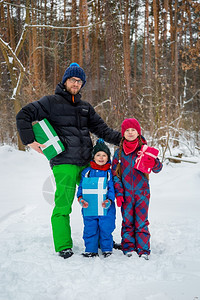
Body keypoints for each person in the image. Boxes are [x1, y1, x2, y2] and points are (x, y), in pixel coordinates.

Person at [16, 63, 121, 259]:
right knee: (63, 205)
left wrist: (126, 139)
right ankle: (64, 244)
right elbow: (24, 114)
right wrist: (30, 140)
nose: (76, 83)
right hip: (63, 163)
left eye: (80, 81)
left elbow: (103, 130)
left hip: (86, 165)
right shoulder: (50, 102)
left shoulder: (85, 108)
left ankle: (103, 239)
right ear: (65, 80)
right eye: (73, 79)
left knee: (99, 202)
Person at [112, 118, 162, 260]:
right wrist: (119, 193)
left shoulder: (145, 150)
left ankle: (143, 249)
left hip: (142, 193)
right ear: (123, 133)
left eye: (133, 130)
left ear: (138, 132)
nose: (130, 132)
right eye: (127, 130)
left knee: (141, 222)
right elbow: (115, 174)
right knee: (127, 221)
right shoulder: (119, 153)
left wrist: (153, 161)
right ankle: (128, 247)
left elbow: (158, 168)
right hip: (126, 194)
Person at [77, 139, 116, 258]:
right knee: (90, 228)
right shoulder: (86, 172)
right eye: (98, 155)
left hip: (106, 208)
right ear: (93, 157)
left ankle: (106, 249)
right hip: (90, 207)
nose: (101, 157)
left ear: (108, 157)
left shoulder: (109, 173)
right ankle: (91, 249)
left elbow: (112, 189)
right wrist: (80, 199)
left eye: (104, 155)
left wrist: (109, 200)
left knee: (106, 228)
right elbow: (81, 189)